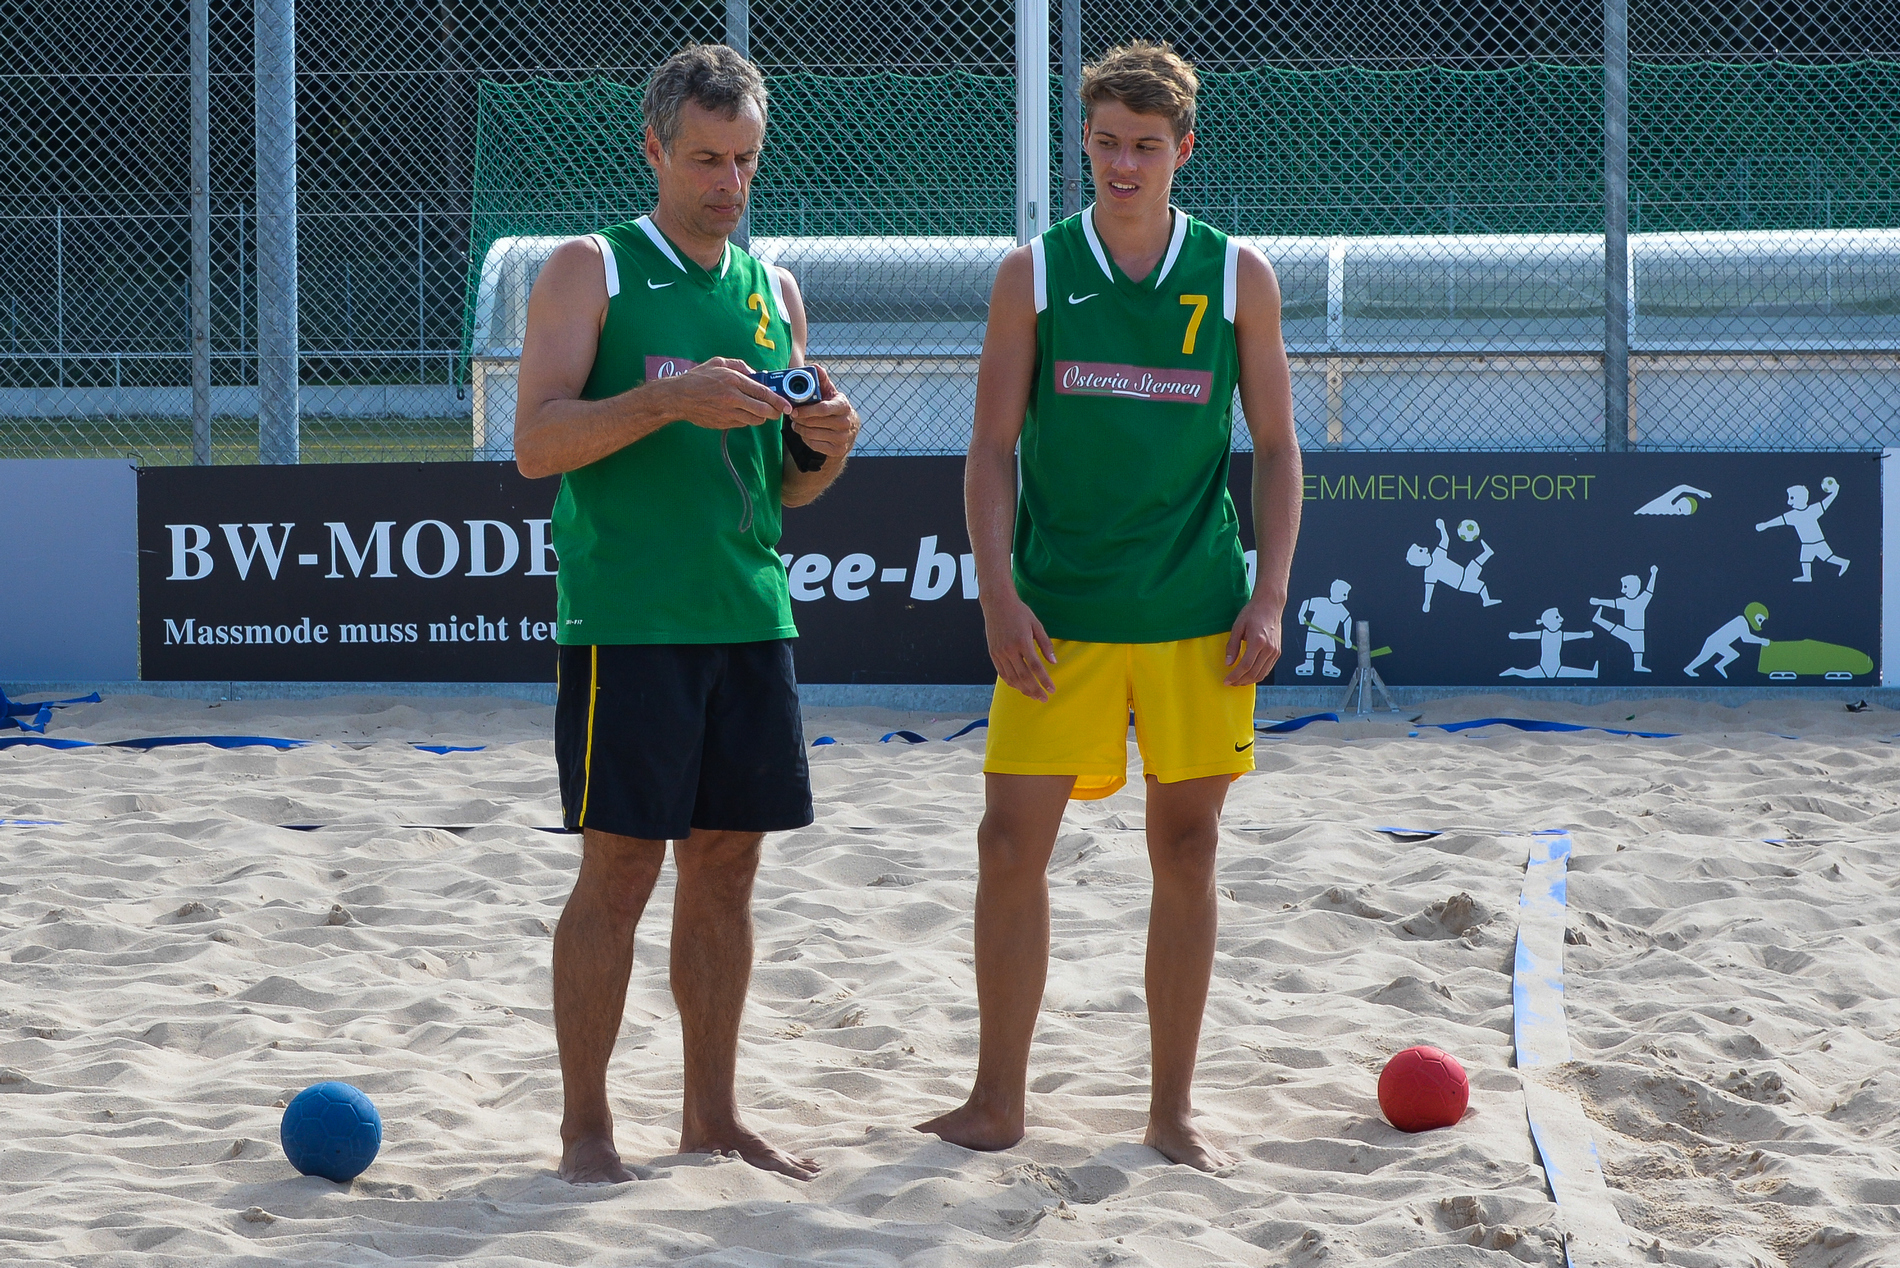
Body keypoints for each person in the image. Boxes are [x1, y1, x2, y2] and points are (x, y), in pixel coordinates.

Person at [918, 41, 1301, 1172]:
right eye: (1104, 143)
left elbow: (1278, 449)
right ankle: (996, 1100)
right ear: (1083, 143)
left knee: (1188, 848)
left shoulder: (1238, 275)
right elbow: (989, 450)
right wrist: (997, 591)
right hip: (1060, 615)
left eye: (1144, 144)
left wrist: (1270, 596)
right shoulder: (1032, 273)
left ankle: (1170, 1110)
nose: (1122, 163)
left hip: (1195, 610)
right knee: (1007, 845)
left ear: (1184, 148)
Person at [513, 44, 861, 1185]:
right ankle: (586, 1129)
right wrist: (668, 398)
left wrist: (826, 448)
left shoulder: (774, 290)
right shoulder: (592, 267)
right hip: (628, 619)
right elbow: (536, 443)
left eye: (746, 160)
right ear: (655, 149)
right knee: (619, 871)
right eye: (707, 158)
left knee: (728, 869)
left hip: (750, 613)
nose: (729, 183)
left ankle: (711, 1116)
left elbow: (787, 491)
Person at [1756, 479, 1848, 581]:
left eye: (1792, 498)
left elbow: (1825, 503)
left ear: (1800, 498)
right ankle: (1807, 576)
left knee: (1827, 557)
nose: (1789, 502)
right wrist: (1766, 525)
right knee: (1805, 560)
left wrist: (1835, 492)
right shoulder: (1793, 515)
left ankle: (1843, 562)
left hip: (1818, 542)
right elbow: (1780, 520)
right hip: (1806, 543)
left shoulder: (1813, 510)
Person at [1405, 518, 1500, 612]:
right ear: (1419, 560)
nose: (1426, 548)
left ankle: (1487, 553)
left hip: (1464, 573)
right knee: (1481, 585)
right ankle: (1486, 601)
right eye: (1421, 550)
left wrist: (1442, 528)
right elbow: (1429, 589)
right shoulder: (1429, 573)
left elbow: (1445, 540)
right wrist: (1427, 603)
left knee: (1474, 565)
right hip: (1462, 583)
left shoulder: (1437, 554)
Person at [1591, 566, 1657, 672]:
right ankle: (1598, 620)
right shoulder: (1624, 601)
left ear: (1634, 587)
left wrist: (1654, 574)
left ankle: (1638, 666)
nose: (1622, 591)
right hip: (1628, 631)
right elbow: (1612, 603)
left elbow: (1649, 590)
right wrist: (1599, 601)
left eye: (1625, 587)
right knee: (1615, 629)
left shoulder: (1642, 600)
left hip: (1638, 632)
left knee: (1638, 650)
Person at [1499, 607, 1597, 679]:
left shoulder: (1560, 634)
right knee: (1526, 674)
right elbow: (1529, 635)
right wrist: (1518, 636)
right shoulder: (1543, 634)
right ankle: (1513, 670)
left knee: (1576, 673)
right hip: (1543, 668)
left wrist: (1584, 635)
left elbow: (1572, 636)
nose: (1562, 619)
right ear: (1549, 621)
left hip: (1557, 668)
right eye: (1557, 617)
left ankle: (1592, 673)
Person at [1685, 603, 1771, 678]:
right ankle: (1688, 669)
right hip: (1714, 641)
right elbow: (1746, 638)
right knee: (1704, 657)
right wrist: (1762, 641)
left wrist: (1762, 641)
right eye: (1760, 620)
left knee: (1733, 654)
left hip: (1721, 644)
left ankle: (1719, 665)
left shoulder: (1743, 621)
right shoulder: (1741, 621)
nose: (1760, 623)